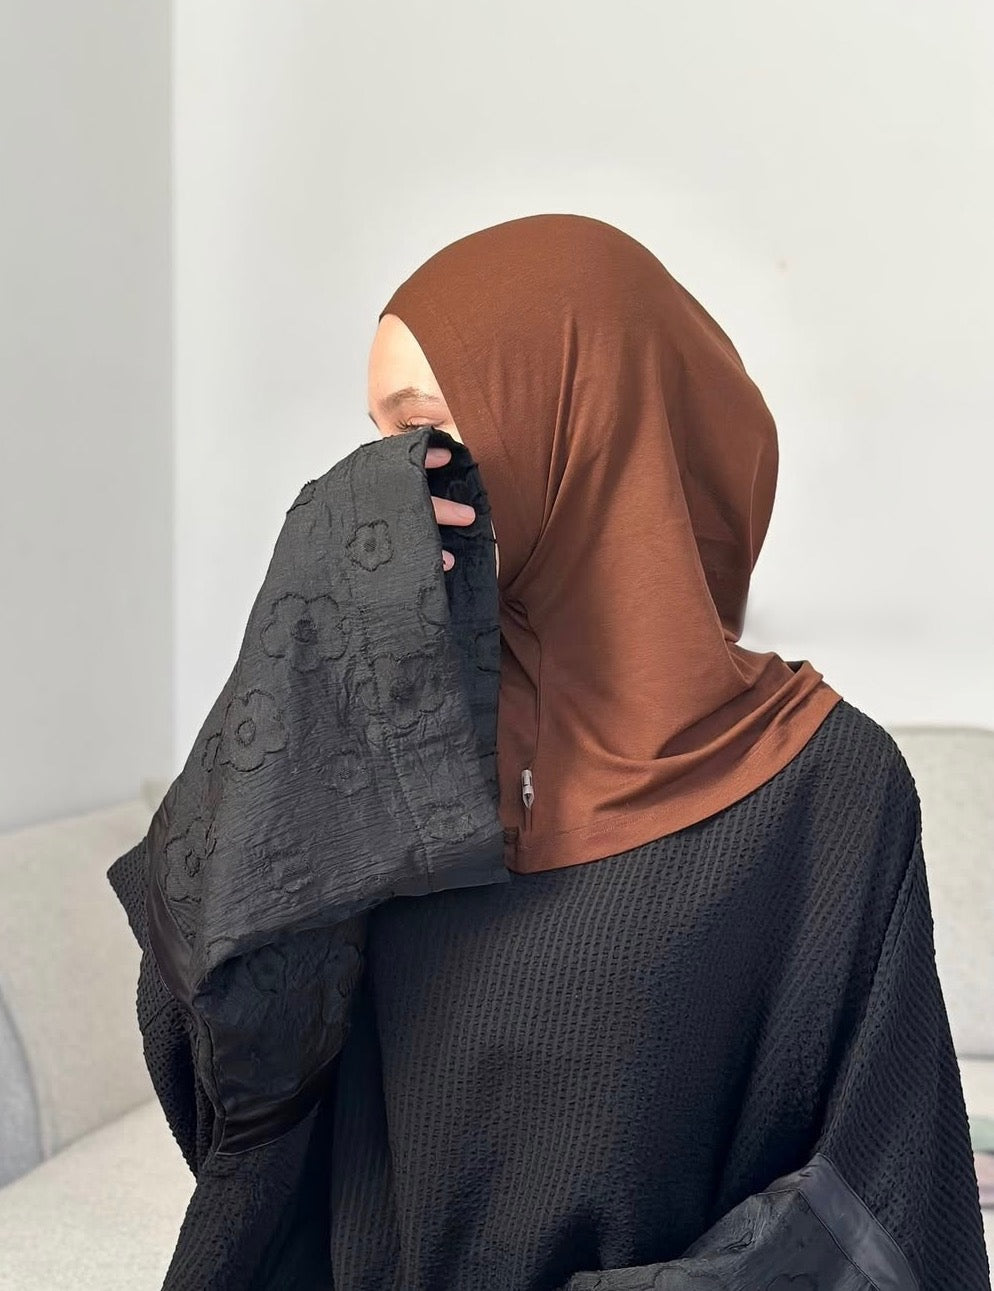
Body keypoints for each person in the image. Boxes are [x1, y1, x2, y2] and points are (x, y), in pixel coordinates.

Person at [323, 213, 991, 1288]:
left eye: (428, 427)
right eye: (375, 435)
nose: (384, 483)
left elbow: (882, 1193)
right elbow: (249, 1095)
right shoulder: (380, 747)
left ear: (584, 427)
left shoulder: (826, 786)